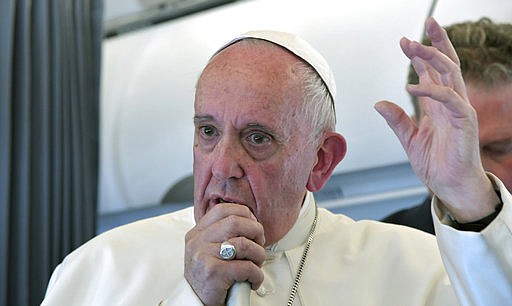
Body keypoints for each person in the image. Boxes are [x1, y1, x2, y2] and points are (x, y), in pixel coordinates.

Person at [40, 18, 512, 306]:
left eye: (257, 138)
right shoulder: (100, 267)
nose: (223, 165)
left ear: (321, 162)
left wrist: (466, 192)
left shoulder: (418, 269)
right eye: (208, 131)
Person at [382, 17, 512, 235]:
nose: (470, 171)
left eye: (500, 148)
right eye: (449, 143)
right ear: (414, 134)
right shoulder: (386, 250)